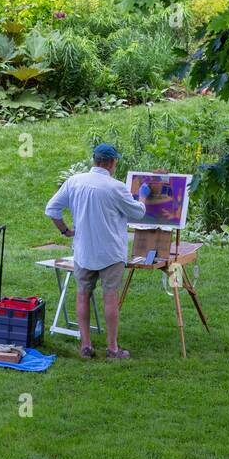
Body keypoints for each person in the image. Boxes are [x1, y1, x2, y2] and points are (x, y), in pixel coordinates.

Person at [45, 143, 151, 360]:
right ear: (111, 163)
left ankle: (86, 346)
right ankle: (112, 349)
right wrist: (143, 198)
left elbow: (52, 209)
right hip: (111, 253)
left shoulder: (74, 181)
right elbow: (138, 213)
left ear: (94, 160)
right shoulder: (115, 187)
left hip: (84, 250)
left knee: (83, 295)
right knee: (110, 297)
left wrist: (65, 231)